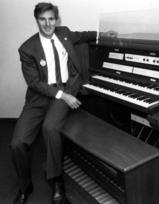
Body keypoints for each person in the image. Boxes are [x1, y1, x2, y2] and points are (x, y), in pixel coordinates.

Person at [10, 2, 115, 204]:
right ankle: (25, 186)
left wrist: (103, 34)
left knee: (50, 128)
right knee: (17, 143)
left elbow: (84, 35)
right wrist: (63, 96)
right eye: (43, 19)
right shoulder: (27, 48)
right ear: (37, 20)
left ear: (56, 19)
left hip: (67, 88)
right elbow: (34, 82)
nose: (47, 24)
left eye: (51, 18)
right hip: (39, 96)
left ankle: (56, 180)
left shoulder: (64, 33)